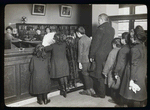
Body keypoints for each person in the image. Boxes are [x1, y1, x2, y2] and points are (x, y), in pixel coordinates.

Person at [119, 26, 147, 107]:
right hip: (141, 74)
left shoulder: (134, 49)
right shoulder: (143, 47)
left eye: (131, 37)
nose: (130, 39)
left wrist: (131, 80)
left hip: (133, 74)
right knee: (139, 95)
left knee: (131, 95)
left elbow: (133, 65)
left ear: (135, 37)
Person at [89, 13, 115, 98]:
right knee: (106, 72)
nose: (98, 22)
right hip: (109, 53)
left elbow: (95, 44)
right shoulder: (112, 29)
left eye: (98, 20)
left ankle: (101, 93)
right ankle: (108, 92)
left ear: (101, 20)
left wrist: (91, 55)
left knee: (99, 74)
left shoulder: (100, 29)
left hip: (99, 54)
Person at [44, 33, 69, 98]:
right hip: (64, 61)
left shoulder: (53, 45)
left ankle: (63, 89)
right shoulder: (64, 44)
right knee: (64, 75)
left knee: (60, 75)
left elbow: (45, 49)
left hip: (57, 63)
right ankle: (66, 88)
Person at [75, 27, 95, 96]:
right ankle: (92, 89)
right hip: (89, 59)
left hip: (83, 60)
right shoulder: (89, 38)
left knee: (85, 75)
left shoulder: (80, 41)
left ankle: (87, 90)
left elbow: (80, 52)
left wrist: (79, 62)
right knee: (89, 74)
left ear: (78, 33)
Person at [102, 38, 122, 102]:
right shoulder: (123, 50)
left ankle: (115, 98)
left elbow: (109, 63)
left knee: (113, 84)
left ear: (114, 44)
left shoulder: (113, 51)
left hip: (113, 71)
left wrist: (105, 72)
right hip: (121, 71)